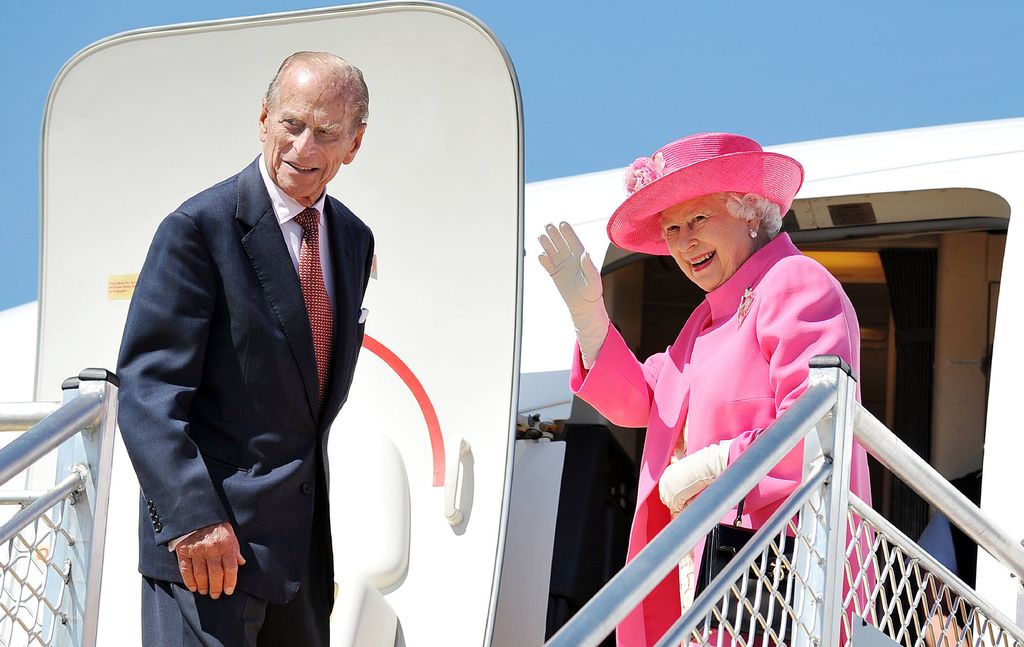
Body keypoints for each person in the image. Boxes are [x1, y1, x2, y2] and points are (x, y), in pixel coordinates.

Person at [538, 132, 873, 646]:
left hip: (790, 581)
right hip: (720, 580)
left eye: (697, 220)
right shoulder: (701, 323)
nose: (683, 241)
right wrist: (589, 318)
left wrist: (712, 466)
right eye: (671, 228)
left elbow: (817, 429)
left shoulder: (795, 282)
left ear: (749, 211)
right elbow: (644, 402)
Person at [116, 51, 373, 646]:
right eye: (292, 124)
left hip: (299, 559)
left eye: (327, 133)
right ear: (263, 119)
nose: (304, 148)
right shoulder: (196, 230)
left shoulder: (352, 240)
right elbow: (149, 391)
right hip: (207, 551)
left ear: (354, 145)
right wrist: (193, 520)